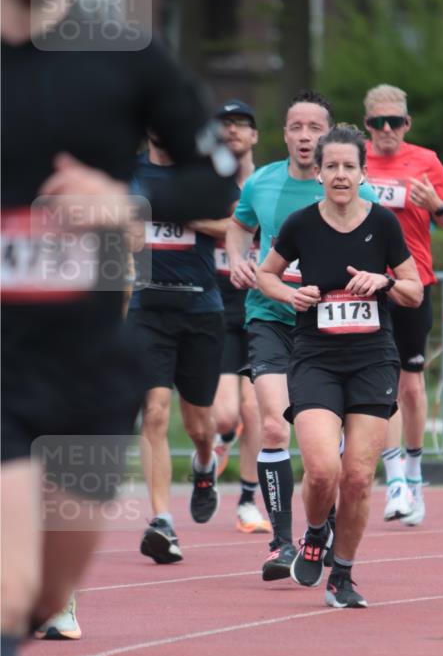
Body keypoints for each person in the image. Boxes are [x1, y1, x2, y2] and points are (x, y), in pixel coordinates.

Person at [0, 0, 236, 656]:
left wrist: (127, 197)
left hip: (87, 374)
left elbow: (214, 178)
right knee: (7, 589)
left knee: (46, 594)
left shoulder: (122, 53)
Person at [256, 125, 422, 607]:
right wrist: (293, 293)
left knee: (357, 477)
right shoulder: (301, 225)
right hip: (315, 359)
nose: (341, 175)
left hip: (373, 359)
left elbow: (413, 291)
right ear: (319, 173)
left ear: (363, 173)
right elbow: (266, 276)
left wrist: (384, 282)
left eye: (350, 167)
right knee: (324, 469)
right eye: (332, 167)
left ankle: (343, 576)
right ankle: (312, 534)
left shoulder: (384, 225)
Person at [227, 91, 377, 580]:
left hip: (330, 327)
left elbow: (380, 246)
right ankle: (280, 543)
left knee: (328, 451)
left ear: (329, 133)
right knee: (273, 426)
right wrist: (237, 258)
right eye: (296, 126)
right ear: (285, 133)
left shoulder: (355, 187)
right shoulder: (262, 182)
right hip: (269, 315)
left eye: (315, 127)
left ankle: (324, 521)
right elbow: (238, 225)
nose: (306, 136)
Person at [363, 84, 443, 525]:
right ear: (366, 124)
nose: (386, 130)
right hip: (366, 286)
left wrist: (437, 205)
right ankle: (395, 483)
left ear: (407, 124)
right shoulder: (353, 158)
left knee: (409, 385)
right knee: (380, 385)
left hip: (412, 284)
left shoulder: (426, 162)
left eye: (395, 122)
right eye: (377, 122)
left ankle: (415, 472)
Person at [128, 134, 226, 564]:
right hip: (147, 306)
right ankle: (162, 520)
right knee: (154, 412)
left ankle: (205, 465)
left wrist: (189, 217)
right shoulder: (128, 171)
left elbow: (235, 226)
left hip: (201, 307)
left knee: (199, 424)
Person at [210, 100, 270, 534]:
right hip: (213, 303)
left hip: (258, 305)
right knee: (225, 415)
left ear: (254, 136)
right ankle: (222, 439)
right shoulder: (206, 181)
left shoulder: (270, 184)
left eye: (241, 124)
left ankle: (248, 500)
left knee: (256, 408)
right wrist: (231, 225)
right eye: (225, 124)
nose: (233, 130)